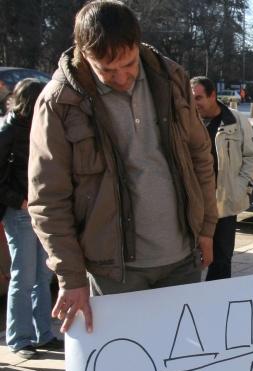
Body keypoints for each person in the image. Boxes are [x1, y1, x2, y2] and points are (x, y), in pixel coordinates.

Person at [28, 0, 217, 333]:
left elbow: (200, 155)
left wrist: (206, 228)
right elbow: (47, 200)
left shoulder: (171, 78)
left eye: (128, 65)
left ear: (137, 44)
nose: (121, 77)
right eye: (107, 70)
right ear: (84, 55)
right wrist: (71, 276)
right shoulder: (58, 102)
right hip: (113, 273)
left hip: (182, 260)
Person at [0, 78, 57, 359]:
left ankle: (43, 333)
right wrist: (19, 201)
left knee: (43, 275)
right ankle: (19, 338)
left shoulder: (39, 127)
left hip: (39, 209)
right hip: (21, 211)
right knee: (24, 276)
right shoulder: (9, 131)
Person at [190, 76, 253, 281]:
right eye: (191, 98)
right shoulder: (186, 121)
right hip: (193, 205)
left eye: (198, 98)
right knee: (188, 261)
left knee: (221, 261)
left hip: (224, 205)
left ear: (213, 96)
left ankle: (218, 308)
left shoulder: (236, 121)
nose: (194, 103)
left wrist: (240, 188)